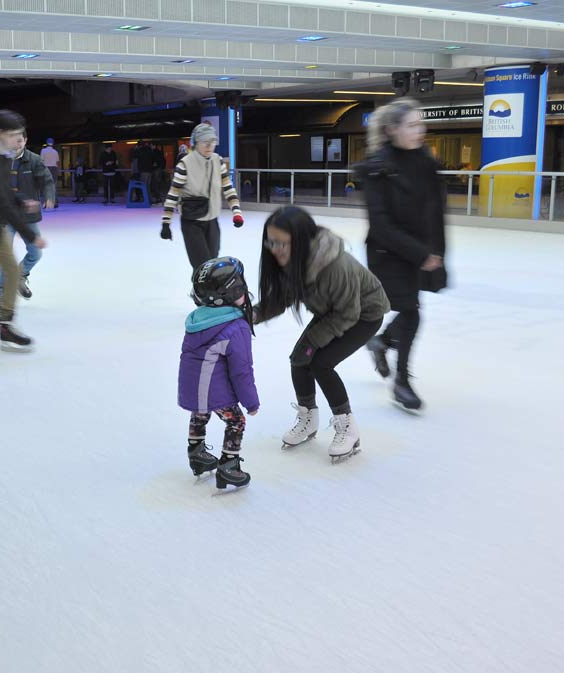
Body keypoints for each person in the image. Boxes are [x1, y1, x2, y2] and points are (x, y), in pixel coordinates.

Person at [254, 206, 390, 464]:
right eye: (271, 242)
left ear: (303, 241)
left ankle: (347, 427)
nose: (276, 249)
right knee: (299, 359)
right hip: (333, 311)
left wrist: (314, 342)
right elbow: (282, 299)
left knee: (321, 363)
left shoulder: (336, 267)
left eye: (283, 243)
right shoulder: (291, 261)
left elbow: (348, 314)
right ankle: (308, 419)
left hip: (364, 315)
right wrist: (253, 315)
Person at [356, 97, 448, 412]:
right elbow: (380, 225)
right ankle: (401, 382)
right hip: (388, 252)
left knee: (411, 309)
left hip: (421, 250)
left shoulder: (425, 162)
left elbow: (435, 211)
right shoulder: (377, 168)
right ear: (393, 130)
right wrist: (421, 253)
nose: (419, 130)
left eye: (421, 124)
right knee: (411, 311)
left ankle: (381, 343)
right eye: (412, 125)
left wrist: (436, 251)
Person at [0, 109, 48, 352]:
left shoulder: (0, 156)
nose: (17, 140)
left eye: (20, 135)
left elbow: (2, 194)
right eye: (13, 135)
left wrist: (20, 200)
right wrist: (31, 234)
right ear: (0, 133)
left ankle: (5, 325)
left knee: (12, 272)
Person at [178, 256, 259, 490]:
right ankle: (229, 465)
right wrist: (250, 402)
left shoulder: (198, 320)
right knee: (236, 421)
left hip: (192, 388)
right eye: (241, 287)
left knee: (201, 412)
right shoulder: (236, 327)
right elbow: (241, 371)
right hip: (212, 390)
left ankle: (196, 452)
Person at [160, 123, 244, 269]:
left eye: (213, 142)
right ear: (195, 143)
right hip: (192, 222)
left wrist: (236, 212)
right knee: (202, 267)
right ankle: (199, 292)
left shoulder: (218, 161)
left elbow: (228, 188)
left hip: (212, 221)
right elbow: (173, 194)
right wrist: (166, 222)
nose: (209, 146)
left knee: (212, 265)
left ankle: (207, 292)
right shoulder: (185, 164)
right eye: (205, 142)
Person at [8, 130, 53, 300]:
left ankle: (19, 276)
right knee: (1, 258)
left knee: (36, 253)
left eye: (20, 140)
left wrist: (49, 196)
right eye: (14, 140)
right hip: (6, 216)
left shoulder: (34, 160)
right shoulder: (1, 161)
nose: (17, 144)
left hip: (27, 216)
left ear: (25, 141)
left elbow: (47, 181)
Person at [40, 137, 60, 207]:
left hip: (46, 168)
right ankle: (55, 202)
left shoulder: (43, 151)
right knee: (54, 186)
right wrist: (58, 171)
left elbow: (41, 161)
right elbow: (57, 163)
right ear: (53, 143)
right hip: (54, 169)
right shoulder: (55, 152)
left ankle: (46, 203)